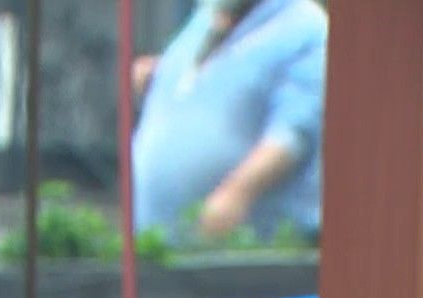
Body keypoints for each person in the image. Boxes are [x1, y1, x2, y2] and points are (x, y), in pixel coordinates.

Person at [131, 0, 327, 241]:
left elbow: (294, 134)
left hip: (250, 249)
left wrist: (237, 192)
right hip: (157, 242)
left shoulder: (305, 27)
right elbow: (205, 80)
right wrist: (158, 77)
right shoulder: (207, 17)